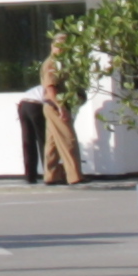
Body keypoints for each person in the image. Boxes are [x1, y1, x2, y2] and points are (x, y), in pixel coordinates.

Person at [35, 49, 83, 186]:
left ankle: (52, 175)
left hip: (56, 105)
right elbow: (51, 88)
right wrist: (61, 107)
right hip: (55, 106)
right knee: (68, 139)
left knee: (52, 143)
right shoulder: (52, 63)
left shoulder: (63, 62)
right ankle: (74, 176)